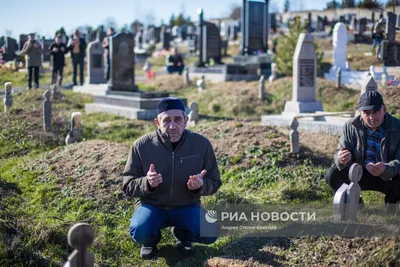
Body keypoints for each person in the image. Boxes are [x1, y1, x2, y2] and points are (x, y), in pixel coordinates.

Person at [122, 97, 221, 259]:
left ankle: (183, 235)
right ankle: (150, 241)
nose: (172, 126)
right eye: (166, 120)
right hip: (153, 207)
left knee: (210, 233)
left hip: (187, 206)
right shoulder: (141, 146)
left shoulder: (201, 144)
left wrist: (200, 186)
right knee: (140, 230)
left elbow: (215, 181)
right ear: (157, 122)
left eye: (177, 120)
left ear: (186, 121)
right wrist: (147, 183)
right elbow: (128, 184)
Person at [325, 91, 400, 215]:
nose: (372, 117)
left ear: (384, 109)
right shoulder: (351, 126)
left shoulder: (397, 127)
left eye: (375, 112)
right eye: (367, 113)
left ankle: (391, 206)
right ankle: (355, 204)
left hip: (387, 175)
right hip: (359, 173)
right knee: (332, 174)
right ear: (360, 113)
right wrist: (342, 159)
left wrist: (386, 168)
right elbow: (340, 151)